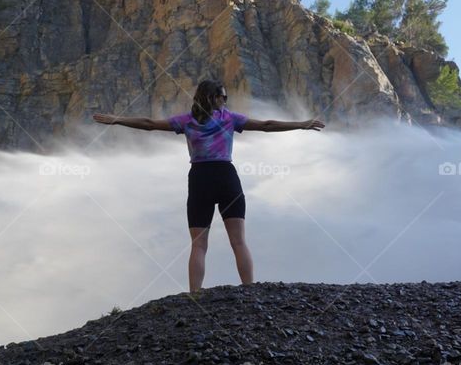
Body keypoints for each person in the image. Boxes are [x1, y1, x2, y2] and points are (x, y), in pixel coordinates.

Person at [92, 79, 325, 294]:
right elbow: (266, 125)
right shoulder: (230, 118)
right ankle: (249, 289)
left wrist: (118, 119)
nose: (225, 100)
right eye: (222, 96)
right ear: (212, 98)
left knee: (199, 244)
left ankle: (196, 294)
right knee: (239, 241)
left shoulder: (186, 121)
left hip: (200, 179)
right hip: (226, 177)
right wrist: (300, 124)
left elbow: (150, 124)